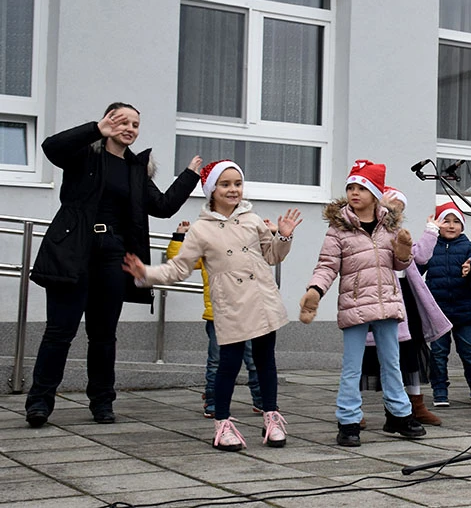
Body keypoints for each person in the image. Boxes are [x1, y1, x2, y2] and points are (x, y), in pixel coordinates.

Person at [26, 103, 201, 428]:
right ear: (108, 121)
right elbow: (51, 147)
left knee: (103, 335)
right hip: (73, 251)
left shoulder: (136, 168)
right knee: (59, 331)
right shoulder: (83, 155)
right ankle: (39, 403)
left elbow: (162, 206)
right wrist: (95, 129)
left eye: (135, 123)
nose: (130, 128)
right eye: (122, 121)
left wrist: (190, 175)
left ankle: (102, 403)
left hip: (113, 257)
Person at [124, 160, 300, 451]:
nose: (233, 190)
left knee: (265, 360)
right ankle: (223, 424)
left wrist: (283, 234)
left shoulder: (252, 219)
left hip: (262, 299)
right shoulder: (201, 230)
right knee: (228, 364)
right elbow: (179, 268)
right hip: (230, 304)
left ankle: (271, 418)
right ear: (211, 190)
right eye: (225, 184)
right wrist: (148, 273)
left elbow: (272, 256)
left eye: (237, 184)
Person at [300, 160, 426, 447]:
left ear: (375, 192)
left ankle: (399, 414)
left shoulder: (390, 226)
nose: (354, 193)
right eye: (350, 187)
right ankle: (348, 420)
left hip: (387, 304)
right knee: (352, 366)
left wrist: (404, 251)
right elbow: (327, 265)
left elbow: (398, 264)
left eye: (361, 187)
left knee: (392, 364)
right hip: (355, 305)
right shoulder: (339, 228)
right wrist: (315, 290)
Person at [360, 188, 452, 426]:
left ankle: (416, 404)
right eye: (390, 204)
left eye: (399, 206)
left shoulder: (399, 232)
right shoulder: (366, 231)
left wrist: (431, 231)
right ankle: (353, 409)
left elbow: (419, 257)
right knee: (366, 354)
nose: (394, 210)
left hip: (405, 296)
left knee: (410, 351)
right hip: (375, 295)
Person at [167, 220, 268, 418]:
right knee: (217, 361)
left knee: (253, 359)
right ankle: (213, 401)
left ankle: (261, 400)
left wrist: (268, 232)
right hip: (218, 316)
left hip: (247, 314)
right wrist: (179, 236)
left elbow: (268, 254)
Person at [421, 202, 471, 408]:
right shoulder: (431, 245)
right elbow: (417, 265)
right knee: (439, 353)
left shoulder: (469, 247)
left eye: (456, 221)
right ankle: (439, 390)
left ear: (462, 225)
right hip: (438, 312)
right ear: (437, 224)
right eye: (446, 221)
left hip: (463, 310)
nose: (451, 226)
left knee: (469, 352)